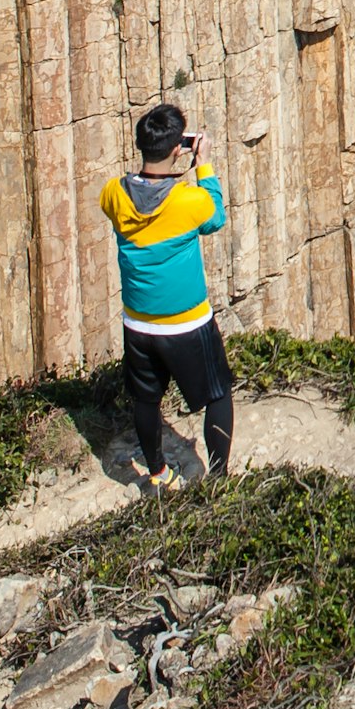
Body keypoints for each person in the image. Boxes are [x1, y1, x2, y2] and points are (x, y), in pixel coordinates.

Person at [100, 101, 234, 489]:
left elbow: (124, 201)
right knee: (218, 394)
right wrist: (203, 165)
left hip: (138, 322)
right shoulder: (188, 200)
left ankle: (158, 474)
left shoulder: (113, 194)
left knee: (146, 400)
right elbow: (216, 217)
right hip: (187, 322)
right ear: (179, 149)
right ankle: (220, 478)